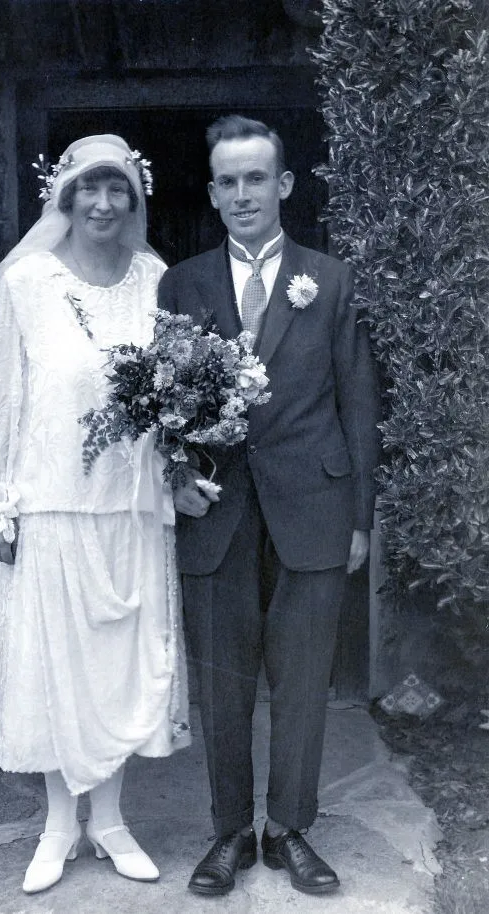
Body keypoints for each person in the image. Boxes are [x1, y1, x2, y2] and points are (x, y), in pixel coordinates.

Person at [0, 134, 190, 894]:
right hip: (48, 506)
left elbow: (170, 399)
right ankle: (60, 829)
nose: (103, 203)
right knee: (54, 671)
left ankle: (113, 822)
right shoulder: (28, 281)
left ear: (134, 199)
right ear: (64, 198)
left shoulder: (156, 280)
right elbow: (1, 396)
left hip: (129, 508)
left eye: (118, 189)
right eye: (88, 189)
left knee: (119, 670)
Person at [158, 115, 380, 897]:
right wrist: (177, 476)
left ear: (283, 185)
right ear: (213, 194)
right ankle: (230, 835)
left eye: (258, 177)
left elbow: (358, 401)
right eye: (229, 180)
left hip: (314, 506)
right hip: (216, 513)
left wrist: (360, 518)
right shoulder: (181, 283)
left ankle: (288, 830)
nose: (244, 192)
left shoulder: (331, 278)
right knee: (221, 685)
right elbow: (162, 401)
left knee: (303, 676)